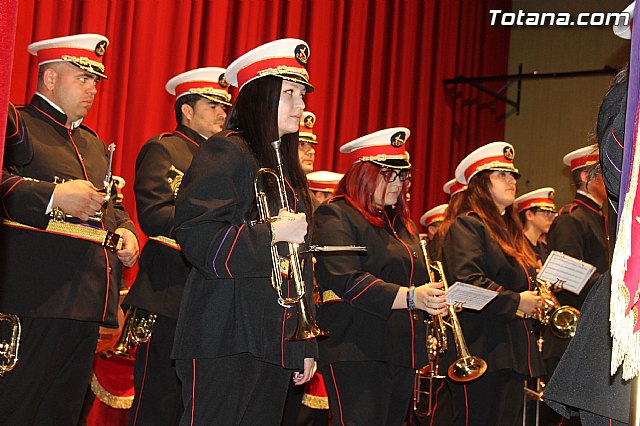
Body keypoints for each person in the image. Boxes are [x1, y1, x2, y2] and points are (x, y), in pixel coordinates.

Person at [171, 38, 318, 425]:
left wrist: (306, 343)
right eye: (290, 94)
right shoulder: (226, 151)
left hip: (274, 337)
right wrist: (269, 233)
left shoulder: (285, 171)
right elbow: (197, 236)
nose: (302, 106)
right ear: (258, 97)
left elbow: (300, 267)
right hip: (224, 334)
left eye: (303, 94)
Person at [0, 33, 139, 425]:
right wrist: (53, 197)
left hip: (84, 304)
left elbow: (110, 204)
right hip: (32, 299)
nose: (92, 88)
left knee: (63, 413)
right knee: (17, 407)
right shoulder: (16, 123)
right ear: (49, 80)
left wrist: (126, 229)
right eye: (82, 77)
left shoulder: (92, 144)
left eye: (95, 81)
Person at [313, 127, 448, 426]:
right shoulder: (336, 214)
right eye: (388, 174)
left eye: (402, 176)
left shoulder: (400, 224)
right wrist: (413, 297)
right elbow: (346, 279)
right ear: (363, 173)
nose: (398, 183)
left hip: (400, 350)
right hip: (357, 350)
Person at [123, 67, 231, 426]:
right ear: (186, 109)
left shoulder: (227, 158)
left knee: (197, 406)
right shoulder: (165, 148)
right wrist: (211, 220)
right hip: (167, 292)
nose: (222, 113)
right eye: (213, 104)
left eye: (225, 106)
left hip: (211, 298)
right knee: (157, 402)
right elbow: (153, 214)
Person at [440, 141, 545, 426]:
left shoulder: (509, 232)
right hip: (481, 348)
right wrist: (517, 301)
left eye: (513, 175)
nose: (512, 180)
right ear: (481, 183)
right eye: (502, 175)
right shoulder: (468, 224)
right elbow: (467, 281)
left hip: (510, 350)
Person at [542, 144, 610, 425]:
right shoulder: (572, 217)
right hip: (575, 333)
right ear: (586, 177)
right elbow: (567, 277)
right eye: (604, 173)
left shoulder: (600, 218)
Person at [514, 187, 557, 265]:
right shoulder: (516, 248)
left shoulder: (542, 249)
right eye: (546, 213)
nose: (552, 218)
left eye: (552, 213)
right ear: (529, 215)